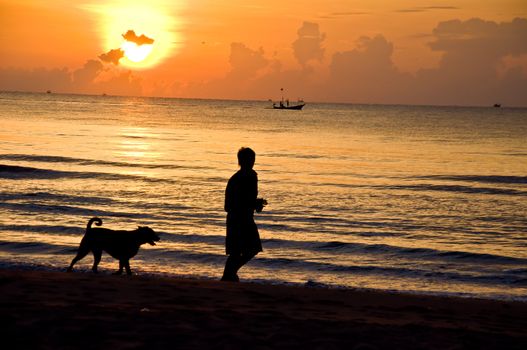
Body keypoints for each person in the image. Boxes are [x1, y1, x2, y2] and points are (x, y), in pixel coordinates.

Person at [221, 147, 267, 282]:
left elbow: (235, 203)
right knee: (249, 249)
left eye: (253, 159)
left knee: (242, 251)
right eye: (250, 159)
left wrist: (254, 204)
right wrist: (254, 204)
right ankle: (229, 275)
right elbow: (234, 203)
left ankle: (229, 275)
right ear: (242, 161)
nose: (252, 162)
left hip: (238, 218)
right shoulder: (249, 177)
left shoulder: (236, 178)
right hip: (241, 219)